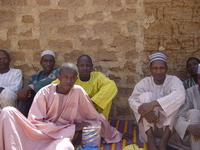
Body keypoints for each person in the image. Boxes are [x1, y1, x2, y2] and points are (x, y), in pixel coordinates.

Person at [0, 62, 132, 150]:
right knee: (8, 111)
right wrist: (73, 128)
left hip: (59, 138)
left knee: (64, 147)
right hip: (39, 133)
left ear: (76, 78)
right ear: (59, 77)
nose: (69, 81)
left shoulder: (78, 92)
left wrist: (116, 134)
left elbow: (93, 116)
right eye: (65, 77)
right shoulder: (45, 92)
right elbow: (35, 122)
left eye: (72, 78)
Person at [128, 51, 185, 150]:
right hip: (149, 129)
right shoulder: (145, 82)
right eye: (155, 68)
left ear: (166, 69)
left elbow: (180, 95)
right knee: (146, 96)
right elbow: (132, 100)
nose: (158, 71)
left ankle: (164, 141)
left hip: (169, 130)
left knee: (175, 101)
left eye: (162, 68)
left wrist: (153, 104)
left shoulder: (174, 80)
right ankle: (151, 141)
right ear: (150, 69)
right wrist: (145, 112)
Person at [52, 54, 118, 119]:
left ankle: (101, 122)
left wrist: (92, 102)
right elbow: (52, 87)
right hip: (75, 113)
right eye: (81, 66)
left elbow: (112, 86)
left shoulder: (97, 77)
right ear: (77, 67)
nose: (85, 68)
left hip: (95, 113)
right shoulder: (72, 77)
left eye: (88, 66)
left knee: (108, 94)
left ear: (92, 67)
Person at [18, 50, 59, 117]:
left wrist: (28, 87)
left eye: (51, 61)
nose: (48, 64)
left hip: (51, 101)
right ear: (41, 62)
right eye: (45, 61)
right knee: (25, 97)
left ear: (54, 62)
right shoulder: (34, 76)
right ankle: (22, 121)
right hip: (36, 102)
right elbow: (29, 92)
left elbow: (48, 81)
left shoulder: (58, 71)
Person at [174, 64, 200, 150]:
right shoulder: (190, 92)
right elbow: (179, 117)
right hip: (196, 134)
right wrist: (190, 127)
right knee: (193, 113)